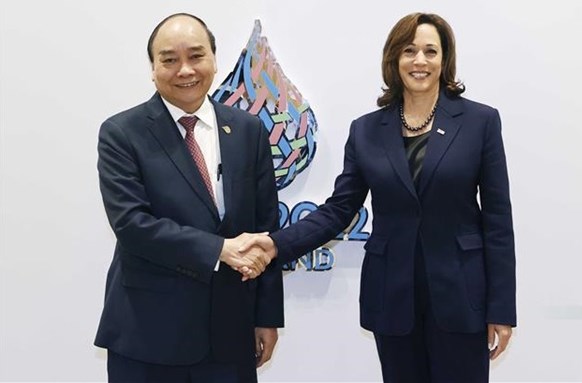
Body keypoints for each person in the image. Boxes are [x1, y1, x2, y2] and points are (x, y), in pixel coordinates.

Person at [240, 12, 516, 382]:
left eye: (430, 51)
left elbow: (498, 220)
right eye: (409, 50)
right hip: (393, 298)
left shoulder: (481, 122)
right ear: (394, 60)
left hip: (461, 297)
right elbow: (340, 210)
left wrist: (501, 308)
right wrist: (275, 244)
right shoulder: (367, 130)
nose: (420, 61)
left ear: (445, 60)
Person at [94, 13, 282, 383]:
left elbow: (265, 228)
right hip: (148, 337)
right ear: (152, 68)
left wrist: (267, 316)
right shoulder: (121, 133)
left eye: (196, 56)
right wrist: (219, 250)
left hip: (230, 335)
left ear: (214, 59)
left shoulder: (247, 130)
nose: (185, 70)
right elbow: (132, 225)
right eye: (169, 59)